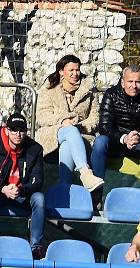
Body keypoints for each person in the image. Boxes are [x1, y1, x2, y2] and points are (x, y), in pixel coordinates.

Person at [91, 64, 140, 196]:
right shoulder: (111, 94)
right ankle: (95, 198)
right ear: (122, 82)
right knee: (100, 142)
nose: (134, 86)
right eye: (130, 81)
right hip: (117, 141)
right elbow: (104, 126)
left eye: (138, 82)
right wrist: (123, 138)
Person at [35, 54, 103, 191]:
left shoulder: (89, 88)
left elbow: (95, 117)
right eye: (71, 70)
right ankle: (85, 173)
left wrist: (79, 125)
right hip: (53, 133)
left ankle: (64, 189)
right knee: (69, 131)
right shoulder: (49, 88)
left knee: (68, 142)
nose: (75, 74)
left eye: (77, 70)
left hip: (81, 135)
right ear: (61, 71)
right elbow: (42, 116)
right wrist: (62, 121)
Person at [0, 113, 45, 259]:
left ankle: (35, 249)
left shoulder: (35, 149)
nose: (18, 134)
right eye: (14, 130)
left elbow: (37, 181)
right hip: (1, 191)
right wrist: (3, 189)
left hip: (21, 194)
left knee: (39, 199)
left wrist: (20, 190)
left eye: (22, 130)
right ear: (7, 130)